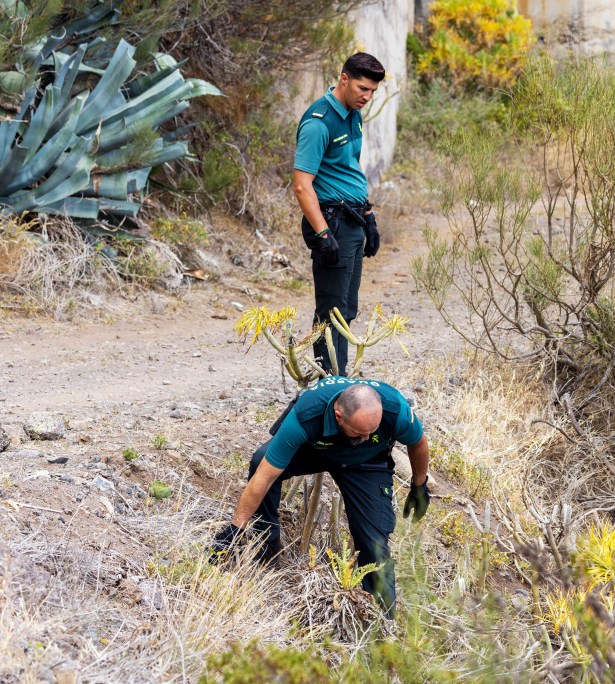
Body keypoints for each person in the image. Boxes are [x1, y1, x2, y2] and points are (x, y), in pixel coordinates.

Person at [211, 376, 431, 617]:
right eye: (359, 432)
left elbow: (418, 442)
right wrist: (236, 528)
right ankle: (267, 547)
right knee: (259, 461)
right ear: (339, 416)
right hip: (316, 450)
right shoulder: (307, 415)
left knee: (374, 544)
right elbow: (265, 475)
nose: (367, 436)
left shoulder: (394, 409)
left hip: (367, 463)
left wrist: (419, 486)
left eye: (372, 431)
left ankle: (382, 621)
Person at [292, 53, 385, 376]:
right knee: (331, 313)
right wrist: (323, 234)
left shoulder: (352, 114)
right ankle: (329, 384)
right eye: (362, 88)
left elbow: (348, 169)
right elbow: (303, 186)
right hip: (332, 223)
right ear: (343, 79)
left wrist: (369, 216)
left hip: (353, 220)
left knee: (347, 309)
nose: (367, 97)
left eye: (372, 91)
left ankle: (336, 380)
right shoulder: (319, 122)